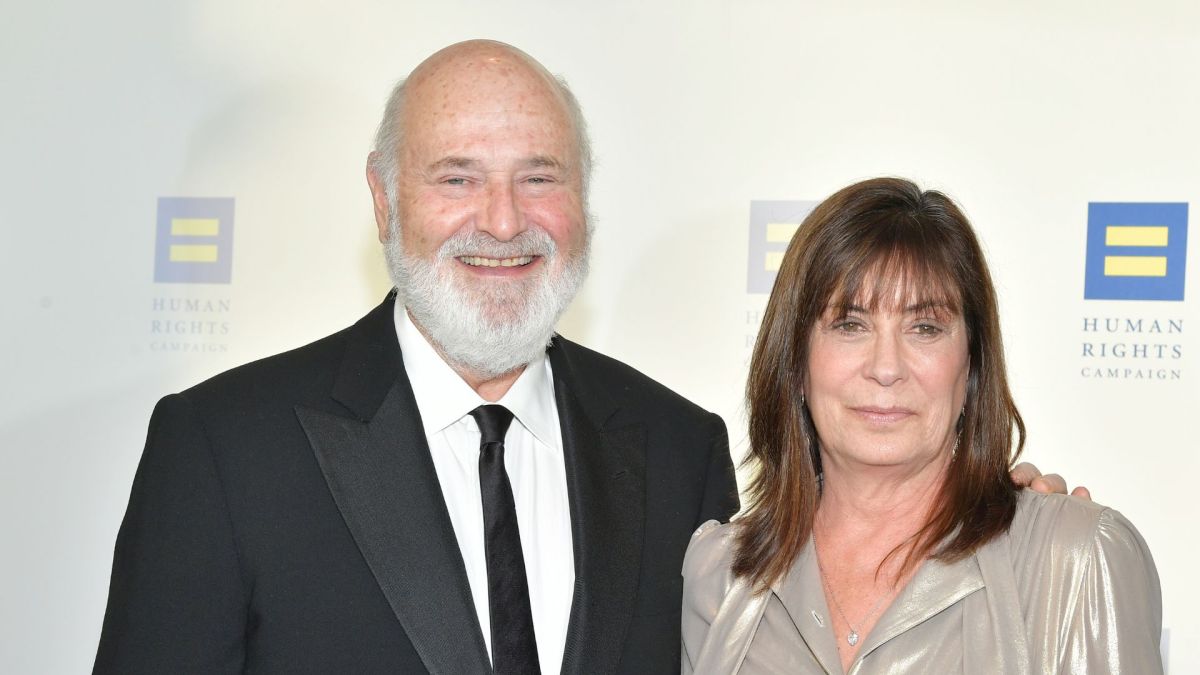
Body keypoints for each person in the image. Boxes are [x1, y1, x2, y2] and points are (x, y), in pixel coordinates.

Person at [94, 42, 1078, 674]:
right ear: (386, 200)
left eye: (540, 177)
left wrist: (986, 526)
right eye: (457, 178)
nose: (505, 221)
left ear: (584, 204)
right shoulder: (227, 450)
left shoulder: (674, 449)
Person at [680, 177, 1162, 674]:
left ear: (971, 365)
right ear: (796, 361)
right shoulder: (720, 576)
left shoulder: (1075, 561)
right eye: (850, 324)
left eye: (924, 327)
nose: (886, 367)